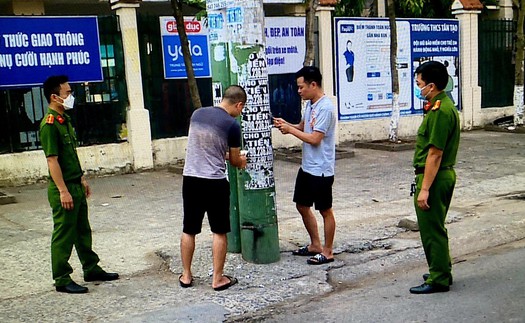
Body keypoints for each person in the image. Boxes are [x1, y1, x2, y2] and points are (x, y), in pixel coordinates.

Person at [39, 75, 119, 294]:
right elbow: (52, 160)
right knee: (64, 234)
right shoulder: (50, 125)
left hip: (74, 184)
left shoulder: (65, 120)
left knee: (83, 230)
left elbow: (70, 156)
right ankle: (62, 278)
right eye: (67, 93)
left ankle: (91, 268)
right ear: (55, 97)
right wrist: (63, 191)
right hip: (63, 188)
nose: (71, 96)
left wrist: (81, 178)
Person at [179, 85, 247, 291]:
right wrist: (241, 160)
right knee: (219, 231)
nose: (241, 112)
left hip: (191, 179)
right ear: (238, 104)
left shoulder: (197, 114)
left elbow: (206, 149)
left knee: (189, 229)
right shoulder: (232, 126)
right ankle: (217, 279)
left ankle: (186, 275)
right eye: (241, 109)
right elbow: (234, 161)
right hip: (214, 182)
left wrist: (226, 155)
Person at [273, 66, 336, 265]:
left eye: (301, 88)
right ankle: (315, 244)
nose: (299, 91)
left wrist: (290, 131)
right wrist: (288, 125)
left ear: (313, 84)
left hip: (322, 169)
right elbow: (304, 126)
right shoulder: (310, 104)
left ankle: (328, 251)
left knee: (325, 210)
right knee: (302, 205)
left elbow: (315, 138)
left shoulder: (325, 107)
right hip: (307, 166)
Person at [410, 61, 460, 294]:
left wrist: (425, 189)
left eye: (419, 83)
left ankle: (439, 278)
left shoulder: (441, 111)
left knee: (432, 230)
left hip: (435, 177)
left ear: (431, 85)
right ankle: (441, 269)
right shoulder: (440, 106)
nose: (417, 87)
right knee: (435, 227)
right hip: (438, 176)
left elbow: (435, 153)